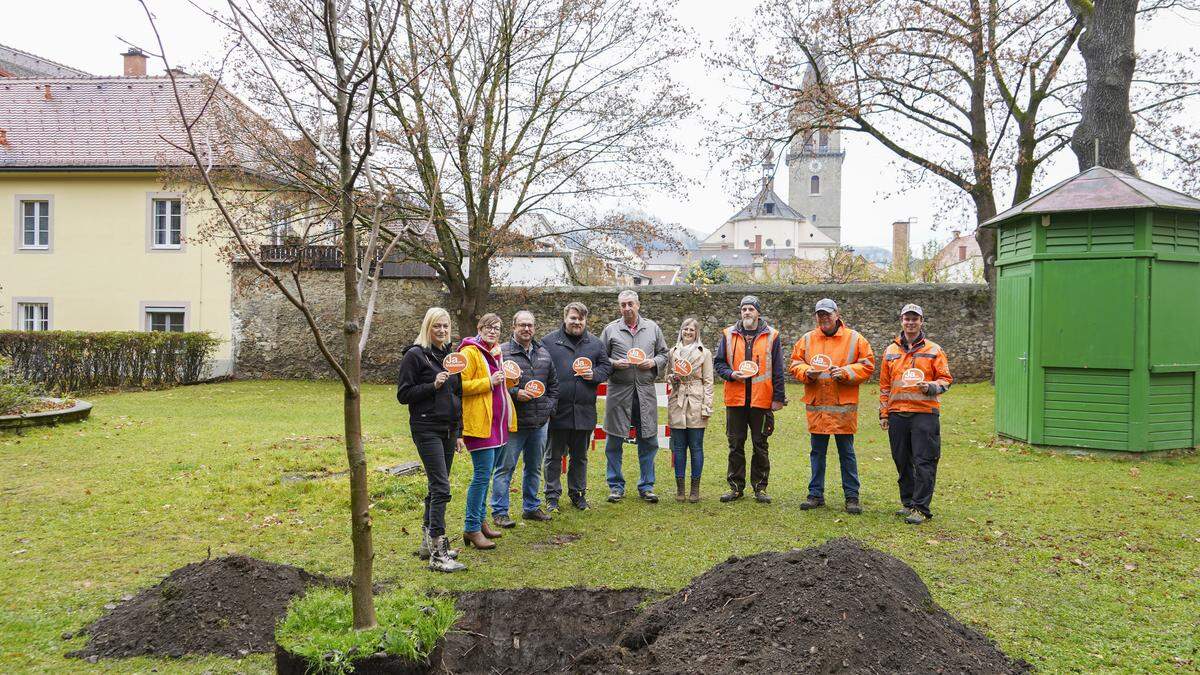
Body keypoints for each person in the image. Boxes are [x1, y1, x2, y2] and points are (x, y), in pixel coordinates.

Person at [395, 307, 467, 572]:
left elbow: (457, 396)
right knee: (442, 488)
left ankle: (428, 544)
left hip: (447, 429)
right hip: (426, 428)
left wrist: (459, 432)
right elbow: (403, 394)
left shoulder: (451, 357)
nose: (442, 331)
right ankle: (439, 552)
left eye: (446, 326)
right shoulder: (415, 356)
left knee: (436, 487)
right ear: (428, 327)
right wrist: (432, 385)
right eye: (437, 326)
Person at [788, 299, 875, 515]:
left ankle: (852, 497)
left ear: (837, 314)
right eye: (820, 314)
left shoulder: (855, 339)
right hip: (818, 408)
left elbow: (868, 364)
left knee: (847, 453)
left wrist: (846, 373)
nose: (824, 318)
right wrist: (807, 372)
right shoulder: (807, 339)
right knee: (817, 452)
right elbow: (795, 363)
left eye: (827, 314)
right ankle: (815, 495)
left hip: (843, 409)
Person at [879, 304, 953, 525]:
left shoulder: (934, 350)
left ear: (922, 322)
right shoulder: (891, 351)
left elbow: (946, 380)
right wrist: (884, 413)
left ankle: (921, 508)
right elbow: (884, 386)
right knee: (901, 460)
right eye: (907, 319)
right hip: (897, 414)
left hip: (924, 414)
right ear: (901, 321)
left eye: (915, 319)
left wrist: (931, 387)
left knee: (924, 461)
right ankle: (908, 503)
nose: (910, 322)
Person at [714, 295, 786, 504]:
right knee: (735, 444)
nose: (747, 312)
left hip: (761, 401)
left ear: (758, 313)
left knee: (760, 445)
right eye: (744, 309)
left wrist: (778, 398)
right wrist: (730, 374)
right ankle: (735, 488)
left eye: (751, 309)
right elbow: (719, 363)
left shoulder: (772, 336)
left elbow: (778, 369)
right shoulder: (728, 335)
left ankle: (760, 488)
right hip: (735, 399)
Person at [599, 290, 669, 503]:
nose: (627, 308)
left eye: (630, 304)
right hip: (619, 392)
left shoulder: (652, 328)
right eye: (623, 305)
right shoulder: (611, 330)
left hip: (645, 393)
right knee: (613, 440)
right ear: (619, 307)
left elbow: (664, 354)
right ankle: (615, 486)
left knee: (648, 439)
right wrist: (613, 363)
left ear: (638, 305)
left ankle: (647, 486)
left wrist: (654, 363)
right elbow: (600, 357)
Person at [491, 311, 559, 527]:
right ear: (513, 326)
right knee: (505, 468)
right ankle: (500, 512)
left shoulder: (544, 353)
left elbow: (554, 386)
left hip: (539, 423)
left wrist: (548, 409)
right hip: (513, 422)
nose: (526, 329)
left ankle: (531, 507)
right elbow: (495, 385)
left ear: (534, 327)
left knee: (534, 467)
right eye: (522, 325)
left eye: (530, 325)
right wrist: (514, 393)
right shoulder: (501, 352)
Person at [542, 302, 612, 511]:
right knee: (554, 456)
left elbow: (606, 367)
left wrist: (595, 376)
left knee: (580, 457)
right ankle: (552, 496)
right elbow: (540, 368)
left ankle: (578, 494)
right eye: (573, 318)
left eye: (580, 319)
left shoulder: (595, 344)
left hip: (583, 410)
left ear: (585, 321)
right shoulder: (549, 342)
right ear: (565, 318)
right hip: (558, 410)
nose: (577, 322)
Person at [459, 313, 516, 548]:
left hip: (498, 425)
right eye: (489, 327)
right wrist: (488, 382)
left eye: (497, 328)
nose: (493, 331)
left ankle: (481, 522)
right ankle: (471, 528)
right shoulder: (469, 352)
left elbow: (498, 385)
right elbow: (458, 386)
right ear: (479, 328)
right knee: (481, 477)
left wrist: (509, 380)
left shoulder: (496, 352)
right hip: (480, 425)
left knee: (488, 476)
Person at [666, 317, 714, 503]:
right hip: (677, 402)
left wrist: (707, 406)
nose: (688, 332)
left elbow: (709, 382)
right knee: (678, 447)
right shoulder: (673, 352)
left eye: (691, 330)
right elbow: (668, 377)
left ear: (697, 333)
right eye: (685, 329)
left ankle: (695, 489)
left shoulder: (705, 353)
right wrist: (673, 378)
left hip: (696, 400)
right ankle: (680, 489)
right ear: (681, 330)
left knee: (695, 446)